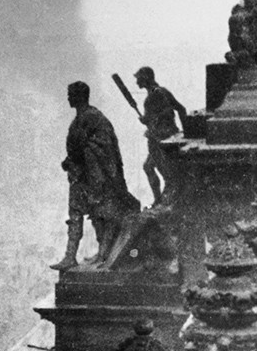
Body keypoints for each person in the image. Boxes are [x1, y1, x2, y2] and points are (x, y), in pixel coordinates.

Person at [51, 81, 141, 271]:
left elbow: (102, 146)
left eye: (71, 94)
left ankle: (103, 253)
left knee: (100, 214)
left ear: (80, 96)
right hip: (80, 175)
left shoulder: (93, 117)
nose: (68, 97)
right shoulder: (80, 119)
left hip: (96, 176)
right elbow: (77, 146)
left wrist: (81, 157)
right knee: (76, 214)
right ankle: (70, 257)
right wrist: (70, 160)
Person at [135, 66, 188, 206]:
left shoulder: (154, 95)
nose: (137, 82)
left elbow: (166, 113)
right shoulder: (162, 91)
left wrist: (148, 120)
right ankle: (159, 200)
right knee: (149, 167)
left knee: (165, 173)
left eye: (139, 78)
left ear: (145, 78)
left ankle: (164, 201)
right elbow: (180, 109)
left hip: (160, 139)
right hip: (165, 137)